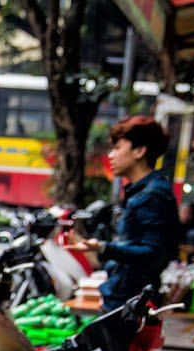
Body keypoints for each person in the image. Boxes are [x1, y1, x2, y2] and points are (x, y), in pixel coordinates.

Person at [68, 116, 178, 311]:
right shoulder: (140, 191)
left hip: (130, 303)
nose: (111, 155)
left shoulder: (153, 194)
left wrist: (103, 247)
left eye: (117, 148)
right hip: (122, 297)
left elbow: (153, 253)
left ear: (139, 151)